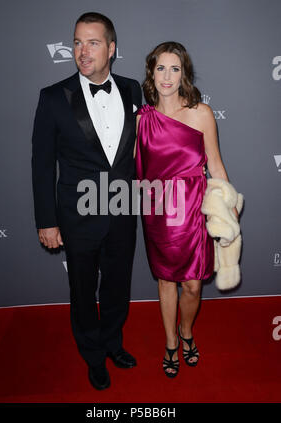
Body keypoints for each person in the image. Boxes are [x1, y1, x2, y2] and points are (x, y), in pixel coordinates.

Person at [32, 12, 142, 390]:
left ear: (112, 48)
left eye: (93, 42)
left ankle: (113, 343)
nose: (83, 50)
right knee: (82, 290)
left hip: (123, 210)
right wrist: (46, 220)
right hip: (77, 214)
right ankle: (93, 355)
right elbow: (42, 164)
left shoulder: (133, 90)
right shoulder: (53, 97)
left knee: (117, 285)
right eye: (77, 42)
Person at [135, 42, 238, 378]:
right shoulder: (141, 119)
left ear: (184, 74)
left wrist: (227, 209)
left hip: (193, 208)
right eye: (161, 68)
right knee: (166, 281)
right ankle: (170, 343)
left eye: (175, 69)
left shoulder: (201, 113)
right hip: (158, 210)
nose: (167, 76)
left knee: (193, 285)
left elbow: (217, 167)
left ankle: (186, 331)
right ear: (151, 71)